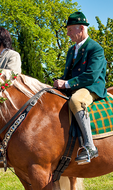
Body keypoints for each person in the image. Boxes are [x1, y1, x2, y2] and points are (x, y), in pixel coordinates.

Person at [53, 11, 107, 164]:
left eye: (70, 30)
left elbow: (91, 75)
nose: (68, 34)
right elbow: (68, 73)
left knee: (76, 101)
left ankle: (90, 147)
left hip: (91, 87)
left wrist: (67, 83)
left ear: (81, 28)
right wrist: (59, 83)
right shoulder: (72, 50)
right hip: (74, 85)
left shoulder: (95, 48)